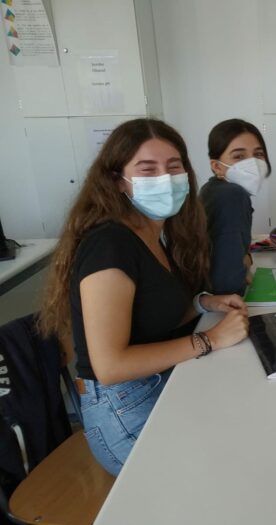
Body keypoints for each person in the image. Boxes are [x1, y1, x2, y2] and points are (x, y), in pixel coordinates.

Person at [38, 118, 249, 476]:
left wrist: (203, 303)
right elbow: (110, 367)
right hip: (124, 410)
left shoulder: (153, 234)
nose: (165, 179)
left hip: (157, 382)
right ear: (118, 181)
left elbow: (153, 314)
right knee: (226, 471)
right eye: (147, 169)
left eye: (174, 166)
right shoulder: (109, 245)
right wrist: (209, 340)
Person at [200, 119, 271, 296]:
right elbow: (228, 283)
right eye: (239, 156)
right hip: (223, 303)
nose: (253, 163)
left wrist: (246, 258)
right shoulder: (232, 195)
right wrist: (245, 264)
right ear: (217, 166)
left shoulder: (211, 189)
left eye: (258, 154)